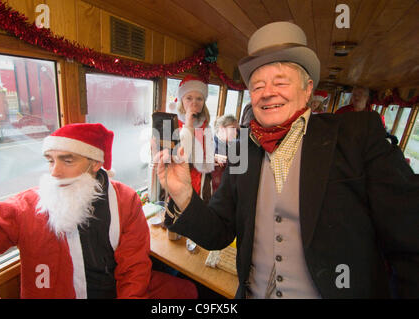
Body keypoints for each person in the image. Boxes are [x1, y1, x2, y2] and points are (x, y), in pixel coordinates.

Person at [155, 21, 419, 298]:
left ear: (307, 90)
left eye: (280, 82)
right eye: (257, 86)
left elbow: (411, 240)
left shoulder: (356, 136)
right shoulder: (243, 147)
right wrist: (184, 195)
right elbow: (219, 233)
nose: (267, 92)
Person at [0, 123, 197, 299]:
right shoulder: (27, 207)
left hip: (113, 290)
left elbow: (134, 267)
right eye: (50, 161)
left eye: (67, 161)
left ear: (95, 164)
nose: (55, 172)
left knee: (187, 291)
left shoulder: (125, 200)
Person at [175, 75, 215, 204]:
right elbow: (181, 156)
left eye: (199, 99)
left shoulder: (205, 124)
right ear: (181, 100)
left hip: (201, 179)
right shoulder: (173, 123)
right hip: (180, 181)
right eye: (189, 98)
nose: (194, 103)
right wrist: (188, 125)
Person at [212, 114, 240, 192]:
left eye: (236, 130)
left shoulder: (231, 147)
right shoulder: (210, 145)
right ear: (222, 128)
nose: (236, 133)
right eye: (232, 129)